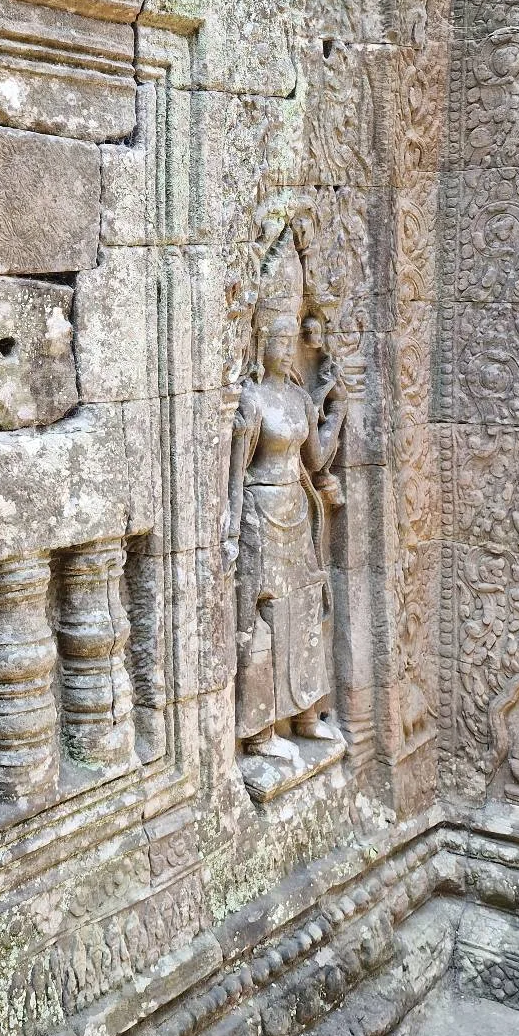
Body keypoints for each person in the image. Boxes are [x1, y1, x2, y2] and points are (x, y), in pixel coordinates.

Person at [224, 296, 347, 758]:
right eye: (274, 339)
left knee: (305, 608)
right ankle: (258, 730)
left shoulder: (297, 398)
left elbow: (314, 458)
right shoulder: (252, 400)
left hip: (297, 508)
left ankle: (306, 713)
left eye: (288, 339)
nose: (283, 347)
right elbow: (237, 471)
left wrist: (333, 410)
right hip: (261, 508)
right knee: (265, 615)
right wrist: (231, 529)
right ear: (260, 345)